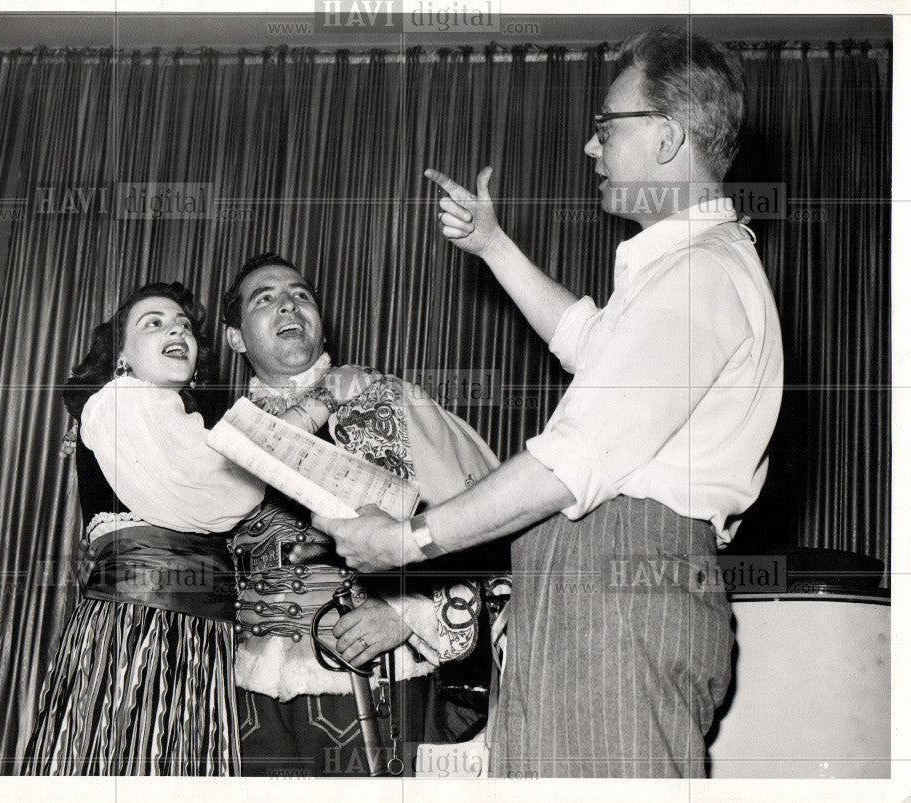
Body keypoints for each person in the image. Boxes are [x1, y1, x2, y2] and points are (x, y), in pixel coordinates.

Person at [315, 29, 784, 778]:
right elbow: (588, 340)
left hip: (617, 588)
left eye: (606, 126)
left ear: (665, 137)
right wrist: (496, 246)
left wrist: (409, 541)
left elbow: (572, 460)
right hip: (594, 590)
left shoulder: (699, 279)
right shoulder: (687, 275)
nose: (592, 148)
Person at [219, 252, 500, 776]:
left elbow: (490, 517)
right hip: (245, 696)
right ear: (235, 337)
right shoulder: (219, 438)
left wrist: (408, 614)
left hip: (371, 679)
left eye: (302, 295)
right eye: (266, 298)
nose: (289, 305)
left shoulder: (389, 401)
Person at [22, 282, 272, 775]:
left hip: (198, 636)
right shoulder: (120, 402)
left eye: (182, 324)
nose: (176, 327)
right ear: (122, 356)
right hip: (138, 628)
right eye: (152, 323)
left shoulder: (181, 421)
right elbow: (216, 489)